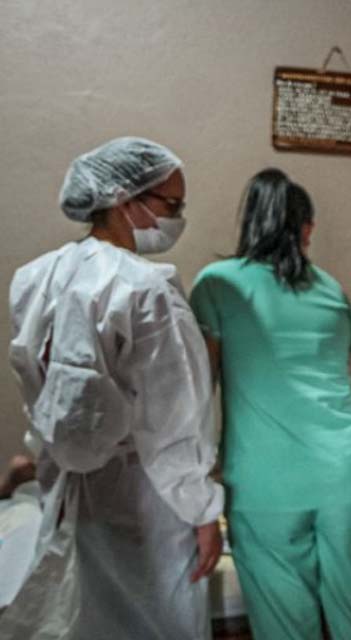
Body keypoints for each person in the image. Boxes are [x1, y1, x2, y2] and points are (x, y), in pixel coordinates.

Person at [2, 137, 223, 639]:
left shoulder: (36, 277)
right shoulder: (146, 288)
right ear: (126, 200)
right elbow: (173, 417)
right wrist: (202, 510)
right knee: (159, 622)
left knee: (85, 616)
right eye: (172, 205)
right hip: (143, 495)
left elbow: (42, 389)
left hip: (69, 485)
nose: (177, 217)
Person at [189, 168, 351, 640]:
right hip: (348, 473)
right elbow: (338, 368)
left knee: (285, 627)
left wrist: (196, 484)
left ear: (250, 222)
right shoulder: (333, 291)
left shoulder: (217, 285)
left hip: (265, 484)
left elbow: (199, 390)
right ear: (306, 229)